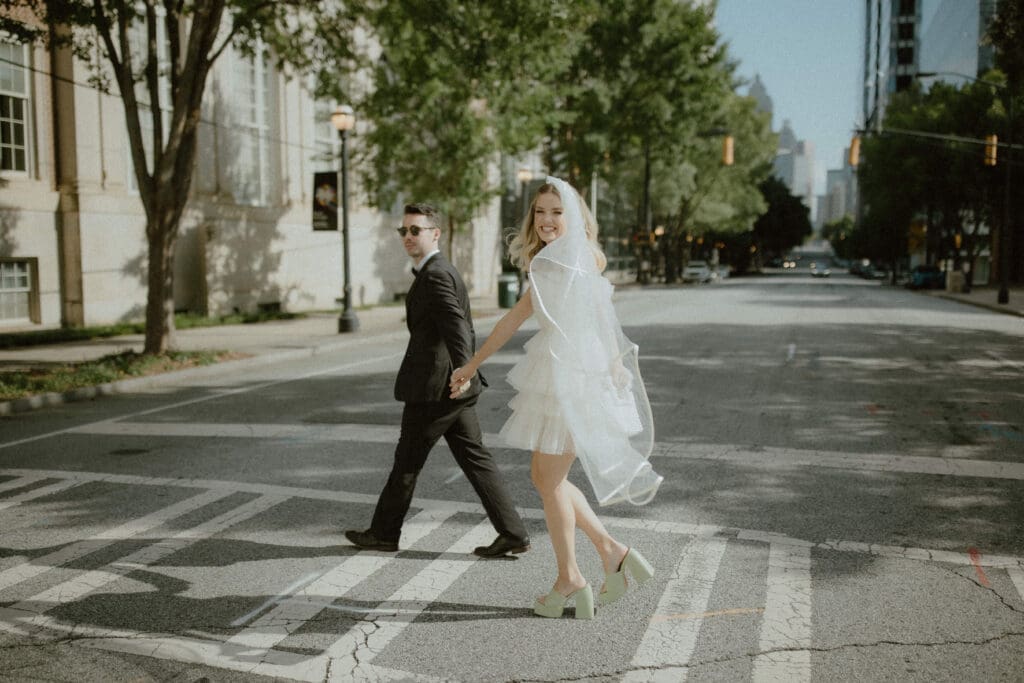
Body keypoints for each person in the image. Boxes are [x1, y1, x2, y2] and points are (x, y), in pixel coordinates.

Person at [450, 176, 663, 620]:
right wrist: (473, 362)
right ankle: (611, 554)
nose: (546, 220)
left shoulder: (555, 263)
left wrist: (472, 366)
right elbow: (522, 317)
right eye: (540, 212)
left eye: (556, 212)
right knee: (549, 480)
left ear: (573, 216)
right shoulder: (573, 258)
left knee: (547, 481)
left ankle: (575, 576)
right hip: (576, 371)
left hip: (568, 375)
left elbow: (568, 316)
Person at [346, 203, 530, 558]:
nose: (408, 237)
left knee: (407, 461)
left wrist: (464, 371)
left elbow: (457, 327)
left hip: (439, 389)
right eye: (404, 231)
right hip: (450, 387)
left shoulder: (435, 274)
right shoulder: (434, 271)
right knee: (475, 458)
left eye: (416, 230)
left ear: (435, 233)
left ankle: (384, 532)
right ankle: (513, 532)